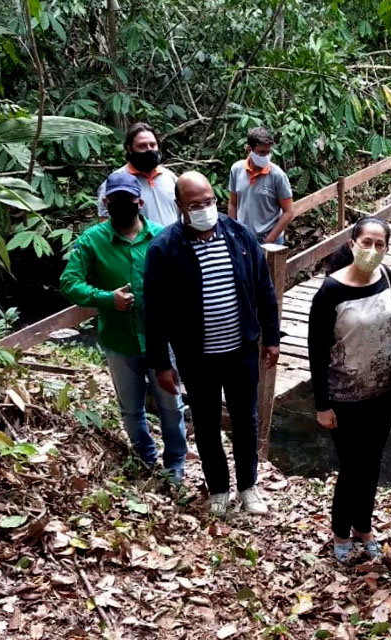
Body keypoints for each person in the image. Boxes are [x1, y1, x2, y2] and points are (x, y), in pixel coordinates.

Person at [144, 171, 280, 517]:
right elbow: (156, 310)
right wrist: (161, 362)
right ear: (179, 207)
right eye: (195, 205)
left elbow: (264, 289)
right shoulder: (164, 248)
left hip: (241, 349)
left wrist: (272, 337)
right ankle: (218, 488)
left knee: (245, 420)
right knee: (205, 423)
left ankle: (249, 487)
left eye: (208, 202)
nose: (204, 209)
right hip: (197, 355)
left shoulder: (239, 236)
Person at [61, 172, 188, 480]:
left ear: (140, 202)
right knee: (131, 409)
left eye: (127, 200)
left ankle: (175, 465)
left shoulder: (162, 236)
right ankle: (145, 458)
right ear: (106, 203)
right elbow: (69, 283)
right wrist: (106, 298)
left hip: (160, 340)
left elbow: (182, 283)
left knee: (171, 406)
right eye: (114, 200)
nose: (121, 205)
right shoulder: (92, 240)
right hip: (119, 340)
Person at [307, 218, 391, 564]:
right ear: (352, 243)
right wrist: (322, 405)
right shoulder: (331, 291)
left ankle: (364, 526)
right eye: (367, 242)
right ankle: (340, 532)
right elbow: (316, 351)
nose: (372, 250)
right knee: (351, 467)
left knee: (372, 461)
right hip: (345, 396)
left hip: (386, 388)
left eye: (380, 244)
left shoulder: (388, 278)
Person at [97, 122, 179, 226]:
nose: (149, 149)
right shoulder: (115, 183)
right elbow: (104, 223)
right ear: (130, 149)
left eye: (153, 145)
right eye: (142, 146)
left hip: (173, 241)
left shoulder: (170, 178)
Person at [227, 127, 294, 245]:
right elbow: (233, 203)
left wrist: (270, 239)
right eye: (261, 152)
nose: (266, 157)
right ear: (249, 149)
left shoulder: (277, 176)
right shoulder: (236, 170)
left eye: (268, 152)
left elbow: (288, 211)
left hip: (269, 239)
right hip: (244, 237)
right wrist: (233, 232)